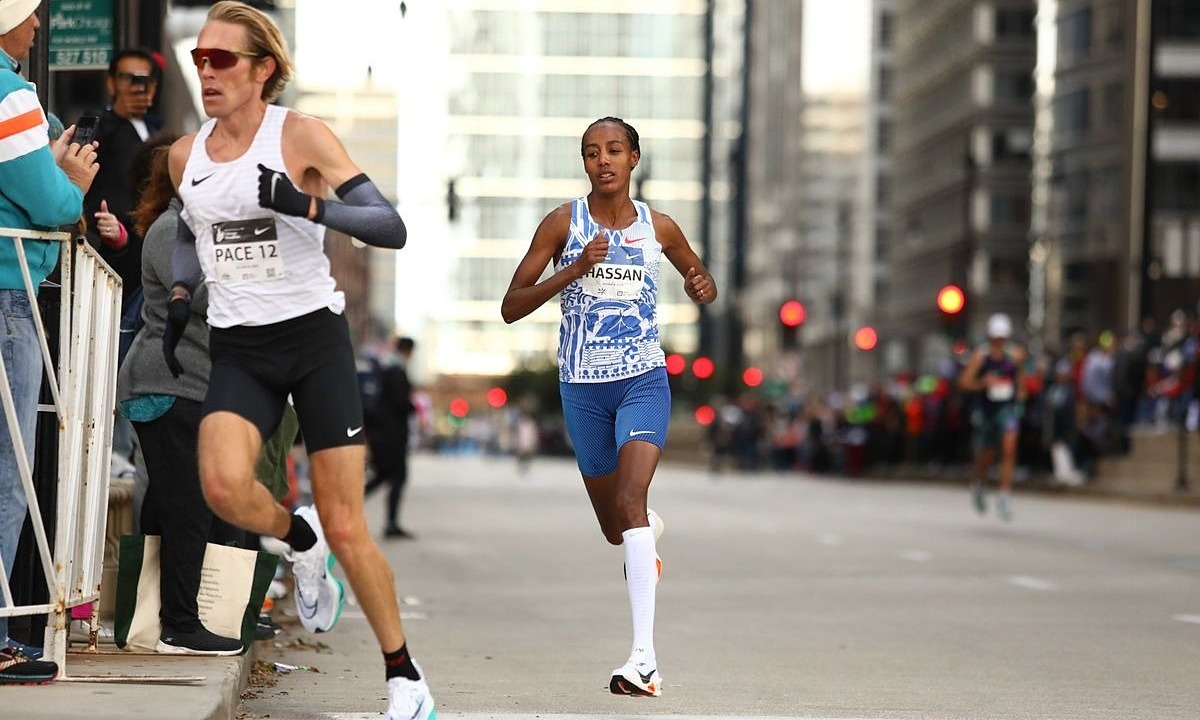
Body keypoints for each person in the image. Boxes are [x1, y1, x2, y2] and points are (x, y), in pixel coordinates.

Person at [163, 3, 433, 717]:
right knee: (223, 486)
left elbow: (390, 225)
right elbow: (194, 229)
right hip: (239, 346)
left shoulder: (301, 136)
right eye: (200, 59)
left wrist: (304, 206)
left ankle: (405, 677)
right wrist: (185, 287)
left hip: (313, 340)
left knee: (350, 525)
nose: (208, 72)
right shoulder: (184, 155)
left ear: (264, 71)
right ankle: (295, 533)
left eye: (224, 60)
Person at [501, 116, 716, 697]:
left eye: (614, 150)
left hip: (643, 380)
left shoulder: (659, 228)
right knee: (616, 528)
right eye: (593, 153)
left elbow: (702, 279)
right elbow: (510, 305)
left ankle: (643, 662)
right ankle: (644, 537)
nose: (604, 161)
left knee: (629, 499)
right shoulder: (561, 223)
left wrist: (702, 287)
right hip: (582, 389)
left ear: (634, 158)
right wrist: (572, 269)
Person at [116, 133, 247, 655]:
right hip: (168, 385)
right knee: (188, 505)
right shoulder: (174, 228)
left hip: (190, 384)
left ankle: (151, 618)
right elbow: (200, 297)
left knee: (174, 505)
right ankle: (178, 625)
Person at [0, 0, 99, 684]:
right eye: (30, 13)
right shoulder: (10, 92)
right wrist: (74, 182)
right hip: (9, 297)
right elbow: (52, 205)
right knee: (8, 473)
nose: (39, 26)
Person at [958, 312, 1026, 521]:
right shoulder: (981, 356)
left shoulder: (1015, 355)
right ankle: (979, 484)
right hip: (987, 410)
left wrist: (1021, 397)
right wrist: (983, 382)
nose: (999, 343)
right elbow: (964, 382)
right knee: (987, 454)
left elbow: (1021, 381)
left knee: (1009, 447)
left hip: (1007, 409)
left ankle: (1004, 494)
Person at [365, 336, 417, 539]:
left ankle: (347, 507)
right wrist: (413, 407)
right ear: (408, 351)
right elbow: (400, 404)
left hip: (383, 435)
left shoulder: (385, 369)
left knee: (383, 476)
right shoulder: (396, 371)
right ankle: (391, 523)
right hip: (392, 437)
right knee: (397, 477)